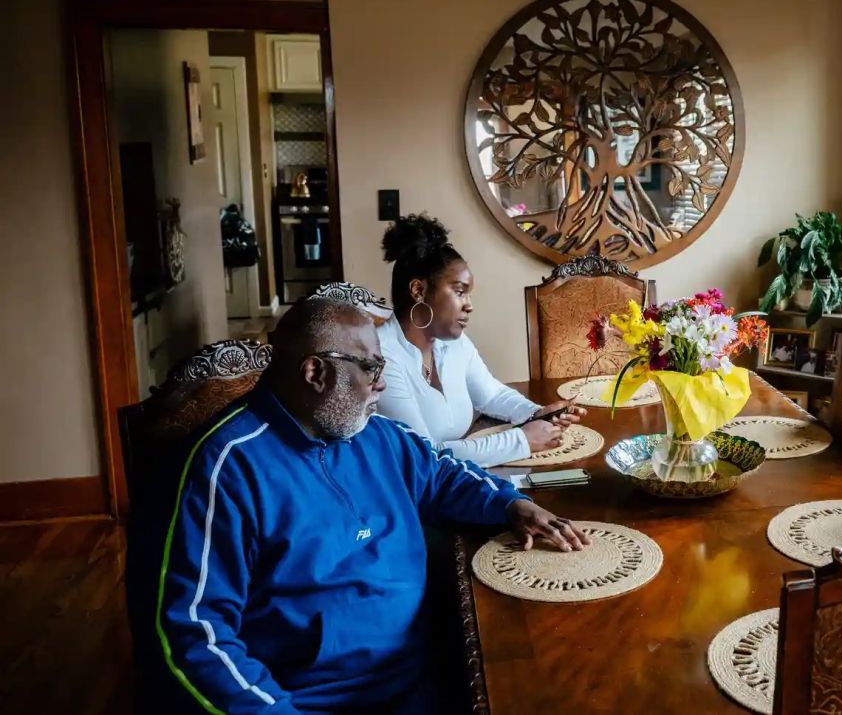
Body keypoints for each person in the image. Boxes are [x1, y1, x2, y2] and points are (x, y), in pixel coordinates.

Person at [150, 297, 590, 713]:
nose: (381, 381)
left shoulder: (374, 434)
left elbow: (444, 474)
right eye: (371, 367)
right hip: (314, 702)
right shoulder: (225, 468)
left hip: (433, 675)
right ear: (314, 373)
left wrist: (511, 506)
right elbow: (192, 635)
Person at [376, 214, 585, 467]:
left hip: (460, 479)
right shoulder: (381, 357)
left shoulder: (453, 343)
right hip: (413, 495)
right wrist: (521, 440)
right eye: (460, 291)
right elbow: (423, 455)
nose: (469, 306)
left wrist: (535, 413)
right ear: (418, 290)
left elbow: (491, 395)